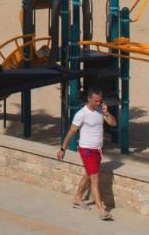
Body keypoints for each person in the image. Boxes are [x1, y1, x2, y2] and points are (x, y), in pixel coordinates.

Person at [57, 87, 116, 221]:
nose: (98, 103)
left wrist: (106, 113)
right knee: (95, 178)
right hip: (86, 149)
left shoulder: (101, 110)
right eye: (96, 101)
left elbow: (113, 123)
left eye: (100, 101)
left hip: (98, 150)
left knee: (88, 175)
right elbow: (71, 132)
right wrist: (62, 149)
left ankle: (78, 198)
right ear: (89, 99)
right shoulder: (81, 114)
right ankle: (101, 210)